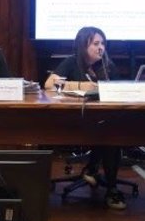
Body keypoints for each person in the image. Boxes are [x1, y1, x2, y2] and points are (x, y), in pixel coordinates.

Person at [44, 26, 126, 210]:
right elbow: (49, 84)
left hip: (102, 122)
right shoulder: (72, 62)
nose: (101, 48)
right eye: (96, 43)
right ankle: (92, 168)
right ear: (83, 46)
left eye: (103, 43)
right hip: (75, 121)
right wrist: (82, 85)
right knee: (107, 132)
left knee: (112, 135)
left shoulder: (107, 65)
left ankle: (109, 187)